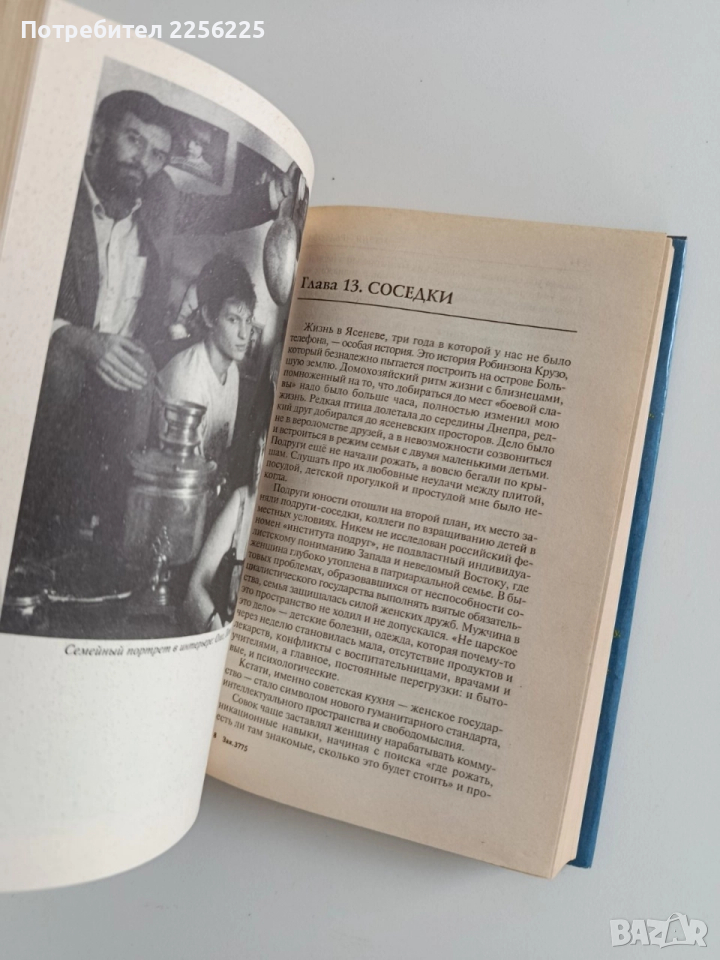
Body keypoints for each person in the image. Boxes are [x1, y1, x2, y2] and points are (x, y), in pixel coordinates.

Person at [15, 89, 293, 552]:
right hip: (51, 361)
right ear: (98, 136)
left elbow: (216, 212)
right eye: (134, 140)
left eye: (157, 154)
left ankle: (101, 551)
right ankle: (23, 531)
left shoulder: (158, 195)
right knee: (63, 366)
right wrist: (74, 339)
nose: (143, 161)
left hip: (127, 369)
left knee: (144, 404)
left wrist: (275, 194)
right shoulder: (48, 194)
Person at [157, 255, 257, 468]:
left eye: (248, 321)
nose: (244, 334)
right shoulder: (188, 381)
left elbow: (220, 454)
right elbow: (182, 471)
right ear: (209, 317)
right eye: (233, 320)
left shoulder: (232, 372)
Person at [184, 431, 266, 633]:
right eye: (258, 450)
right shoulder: (241, 502)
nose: (258, 464)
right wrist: (215, 627)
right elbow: (195, 587)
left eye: (268, 455)